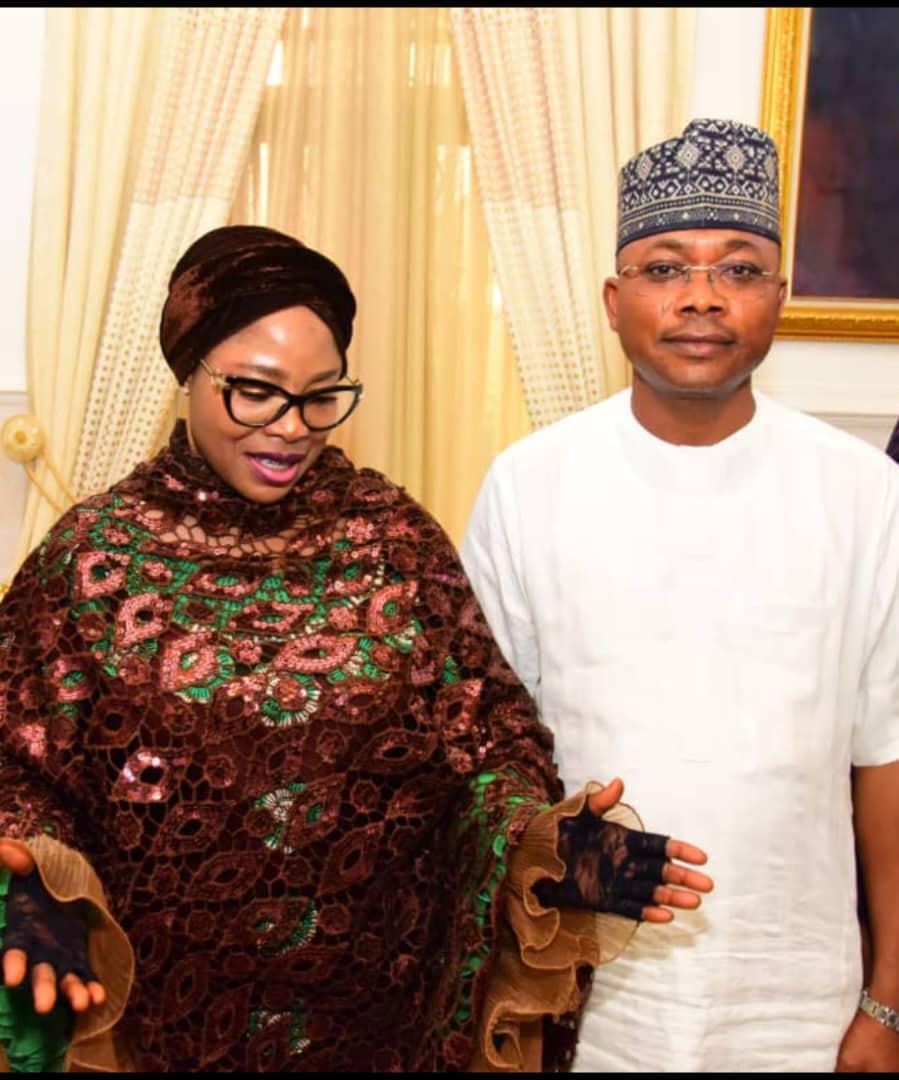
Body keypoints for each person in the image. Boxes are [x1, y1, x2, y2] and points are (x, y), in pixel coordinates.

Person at [0, 226, 713, 1072]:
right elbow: (18, 765)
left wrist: (543, 852)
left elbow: (485, 744)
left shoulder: (390, 538)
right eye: (254, 392)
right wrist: (39, 889)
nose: (290, 428)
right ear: (188, 373)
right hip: (165, 1023)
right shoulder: (93, 558)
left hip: (378, 1025)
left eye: (321, 396)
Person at [462, 118, 899, 1073]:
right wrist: (573, 863)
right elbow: (479, 756)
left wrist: (889, 1002)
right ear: (613, 302)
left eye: (738, 268)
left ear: (779, 297)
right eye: (664, 268)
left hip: (797, 1001)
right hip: (580, 990)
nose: (701, 296)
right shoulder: (530, 484)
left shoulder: (862, 492)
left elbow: (886, 756)